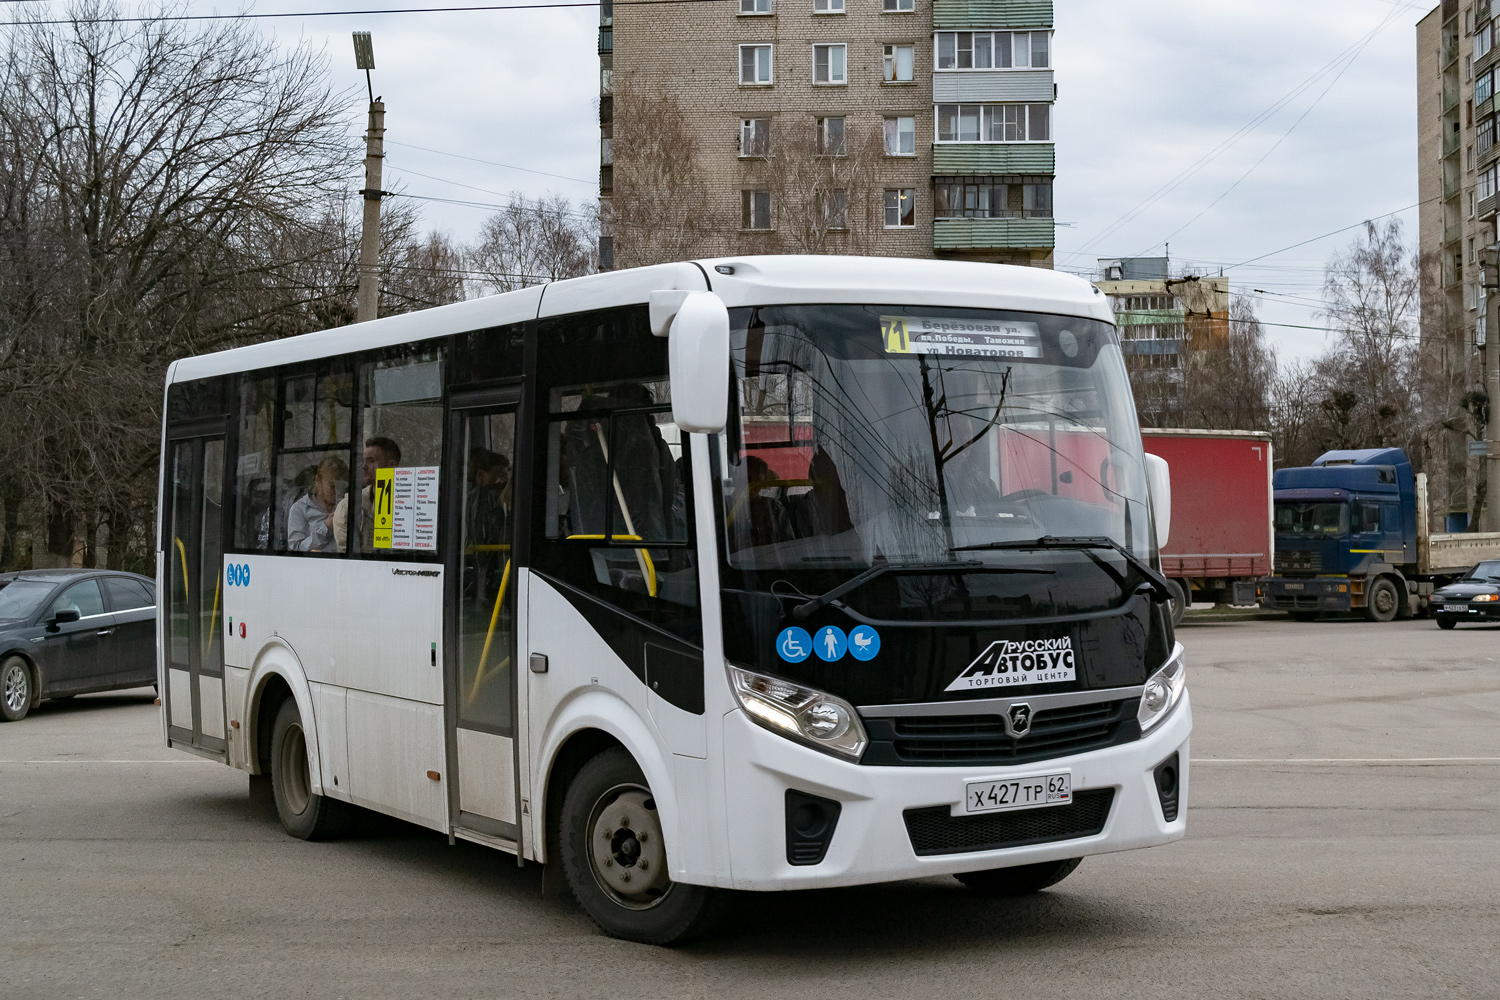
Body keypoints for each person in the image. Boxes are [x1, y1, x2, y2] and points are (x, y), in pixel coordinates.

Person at [333, 436, 401, 552]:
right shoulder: (348, 507)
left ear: (391, 466)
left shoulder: (408, 504)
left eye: (371, 461)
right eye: (363, 461)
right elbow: (347, 558)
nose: (363, 467)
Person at [286, 456, 348, 552]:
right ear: (318, 481)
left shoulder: (347, 505)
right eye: (332, 486)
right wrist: (326, 528)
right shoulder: (300, 509)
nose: (338, 492)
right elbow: (296, 549)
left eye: (342, 487)